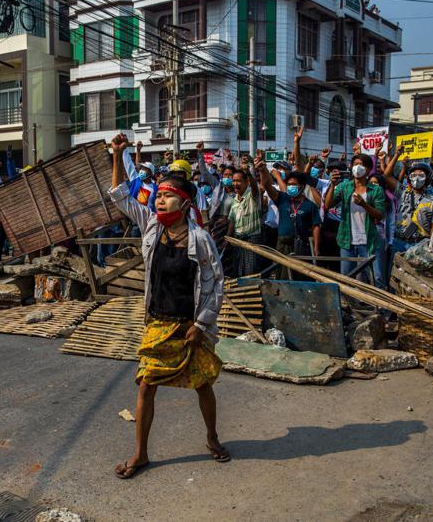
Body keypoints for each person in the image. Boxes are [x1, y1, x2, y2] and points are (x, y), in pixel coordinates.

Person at [108, 133, 228, 480]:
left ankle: (212, 437)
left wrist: (202, 324)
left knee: (202, 383)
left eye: (168, 198)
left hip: (189, 325)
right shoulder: (149, 227)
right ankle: (141, 454)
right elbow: (118, 196)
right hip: (158, 322)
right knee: (146, 384)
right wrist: (119, 155)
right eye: (158, 197)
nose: (159, 202)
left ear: (186, 205)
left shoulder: (199, 239)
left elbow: (214, 284)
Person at [324, 153, 386, 282]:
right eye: (355, 164)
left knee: (375, 277)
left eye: (362, 165)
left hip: (369, 241)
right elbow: (328, 205)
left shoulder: (376, 190)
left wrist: (364, 204)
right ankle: (349, 302)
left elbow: (380, 215)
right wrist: (332, 184)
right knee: (346, 278)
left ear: (368, 169)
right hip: (347, 241)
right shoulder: (344, 187)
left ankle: (374, 302)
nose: (358, 167)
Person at [256, 162, 320, 261]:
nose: (290, 187)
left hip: (301, 245)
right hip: (283, 245)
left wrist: (316, 246)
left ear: (302, 186)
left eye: (294, 184)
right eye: (289, 184)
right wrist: (263, 170)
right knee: (281, 273)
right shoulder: (282, 198)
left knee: (299, 274)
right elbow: (267, 185)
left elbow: (316, 226)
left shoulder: (310, 205)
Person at [227, 167, 264, 276]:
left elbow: (254, 187)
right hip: (237, 238)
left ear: (246, 182)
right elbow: (232, 220)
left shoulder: (252, 195)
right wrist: (228, 237)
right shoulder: (234, 200)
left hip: (252, 238)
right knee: (238, 269)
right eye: (233, 180)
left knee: (250, 270)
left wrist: (248, 173)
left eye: (238, 181)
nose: (235, 183)